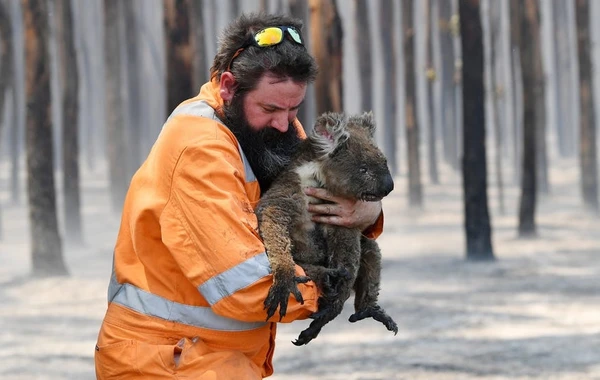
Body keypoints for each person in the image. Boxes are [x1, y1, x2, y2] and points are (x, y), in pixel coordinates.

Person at [94, 12, 385, 379]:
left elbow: (325, 198)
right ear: (229, 87)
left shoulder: (265, 130)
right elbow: (245, 287)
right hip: (166, 361)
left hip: (211, 357)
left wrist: (367, 213)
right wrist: (332, 287)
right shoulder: (200, 150)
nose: (286, 122)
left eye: (294, 108)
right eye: (271, 108)